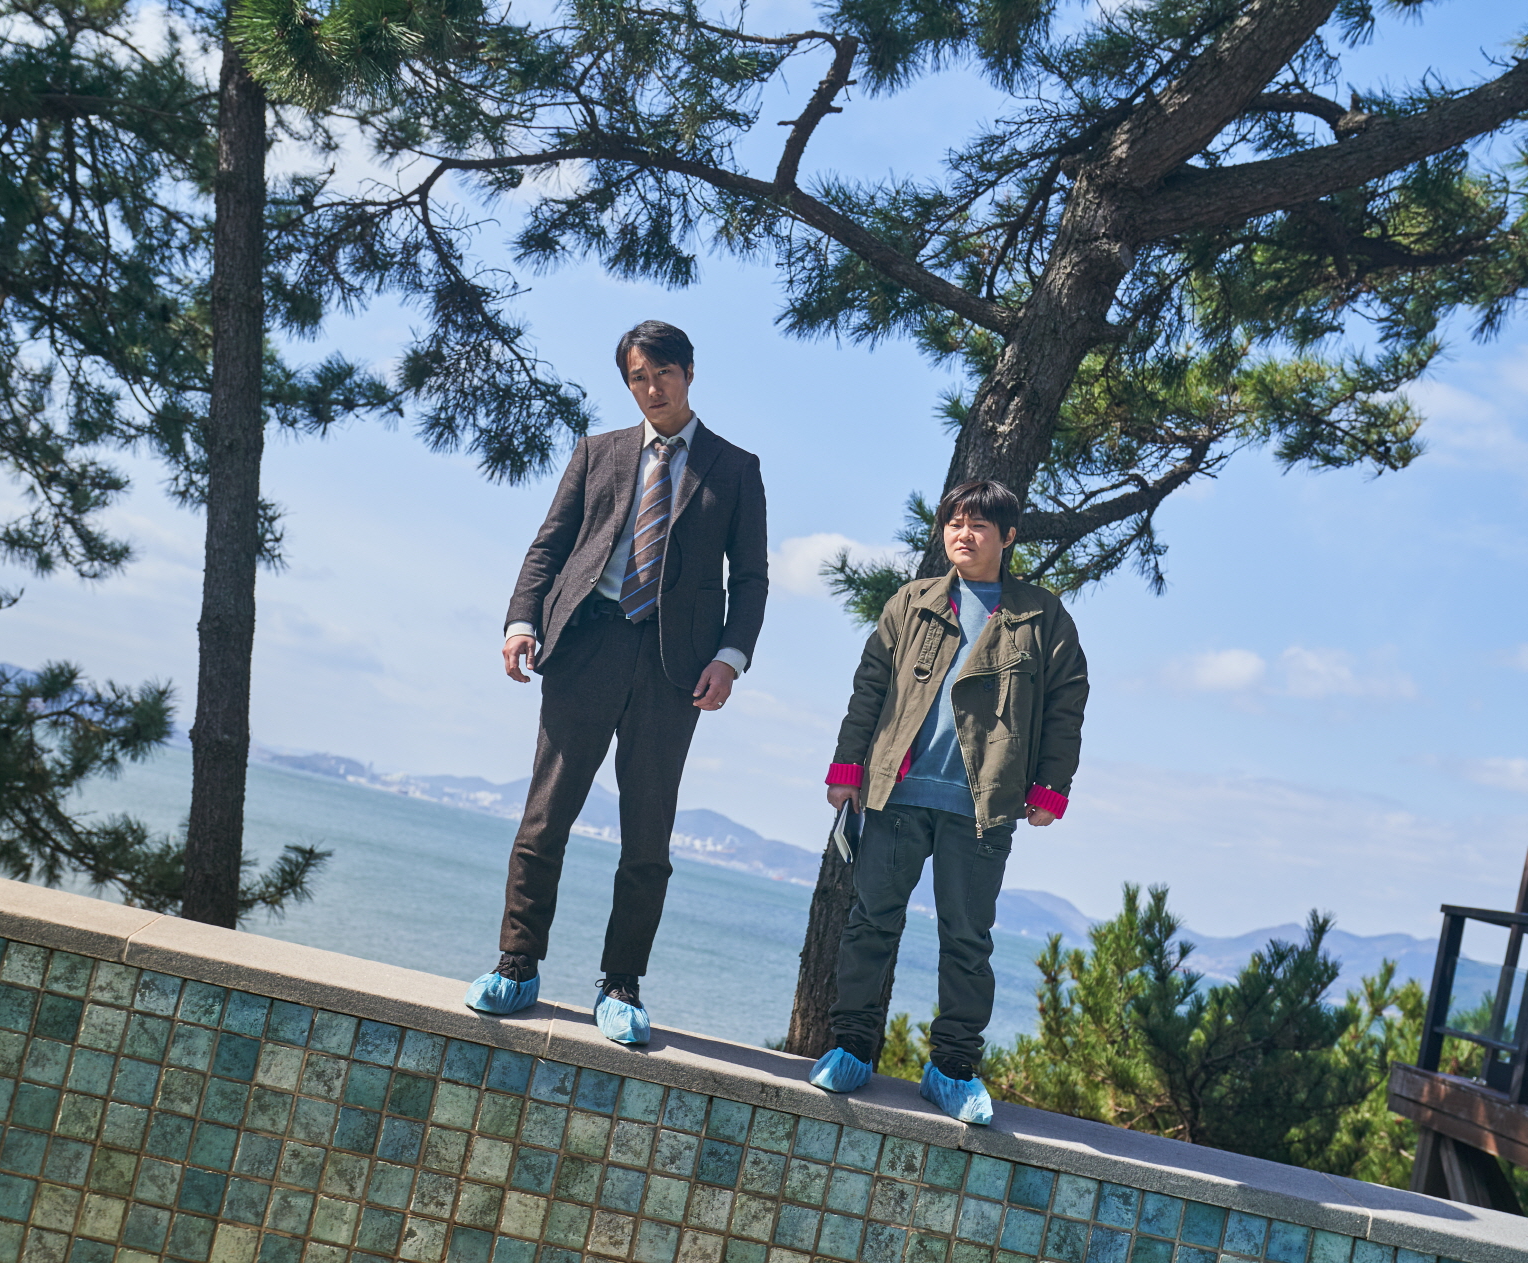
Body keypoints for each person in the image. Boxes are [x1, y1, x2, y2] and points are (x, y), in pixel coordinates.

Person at [463, 320, 769, 1045]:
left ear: (688, 373)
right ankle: (517, 963)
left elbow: (751, 578)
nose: (651, 388)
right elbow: (549, 546)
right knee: (545, 816)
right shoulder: (595, 452)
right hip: (586, 644)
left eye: (662, 373)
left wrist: (730, 657)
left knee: (647, 835)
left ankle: (621, 984)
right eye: (637, 377)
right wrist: (520, 622)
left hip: (675, 668)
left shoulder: (734, 468)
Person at [808, 479, 1088, 1123]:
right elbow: (870, 686)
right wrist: (847, 768)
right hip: (896, 794)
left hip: (984, 804)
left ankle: (953, 1069)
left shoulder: (1043, 616)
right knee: (871, 922)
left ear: (1008, 537)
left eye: (979, 525)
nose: (964, 534)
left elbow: (1066, 705)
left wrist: (1051, 787)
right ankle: (851, 1048)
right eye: (955, 523)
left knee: (967, 938)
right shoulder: (911, 602)